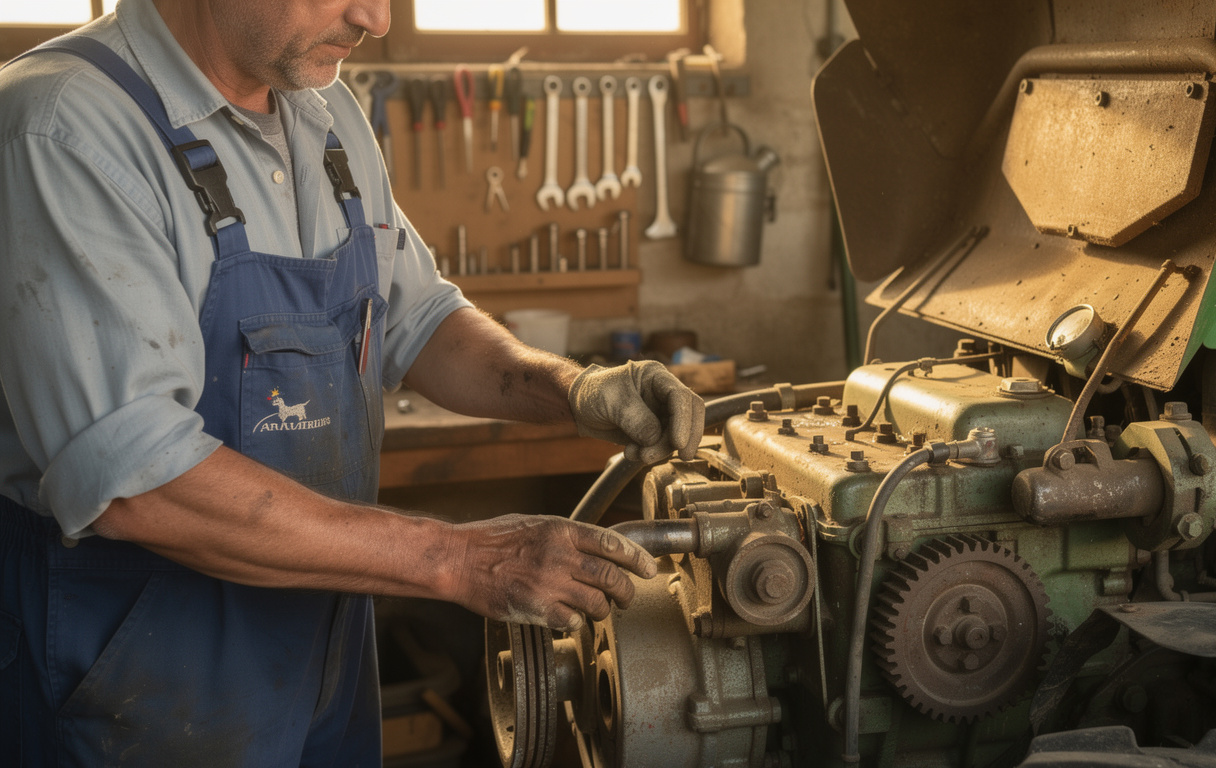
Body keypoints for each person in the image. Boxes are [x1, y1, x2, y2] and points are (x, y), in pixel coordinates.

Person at [0, 0, 705, 763]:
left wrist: (570, 390)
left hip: (322, 657)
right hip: (136, 688)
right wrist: (462, 560)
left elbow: (417, 317)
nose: (376, 18)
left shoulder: (325, 109)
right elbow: (140, 483)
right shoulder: (63, 127)